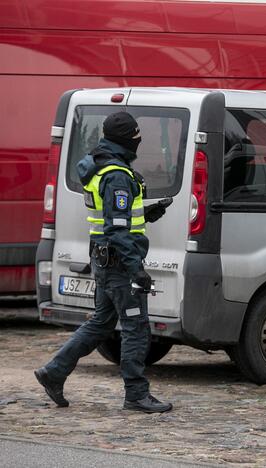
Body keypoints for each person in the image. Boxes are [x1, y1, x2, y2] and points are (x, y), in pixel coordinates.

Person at [34, 112, 172, 413]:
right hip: (120, 264)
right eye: (136, 137)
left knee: (101, 322)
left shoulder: (99, 167)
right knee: (136, 327)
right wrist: (137, 269)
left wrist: (147, 214)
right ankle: (136, 394)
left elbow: (110, 219)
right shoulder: (118, 175)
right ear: (127, 139)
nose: (139, 142)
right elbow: (117, 228)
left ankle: (54, 372)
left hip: (105, 260)